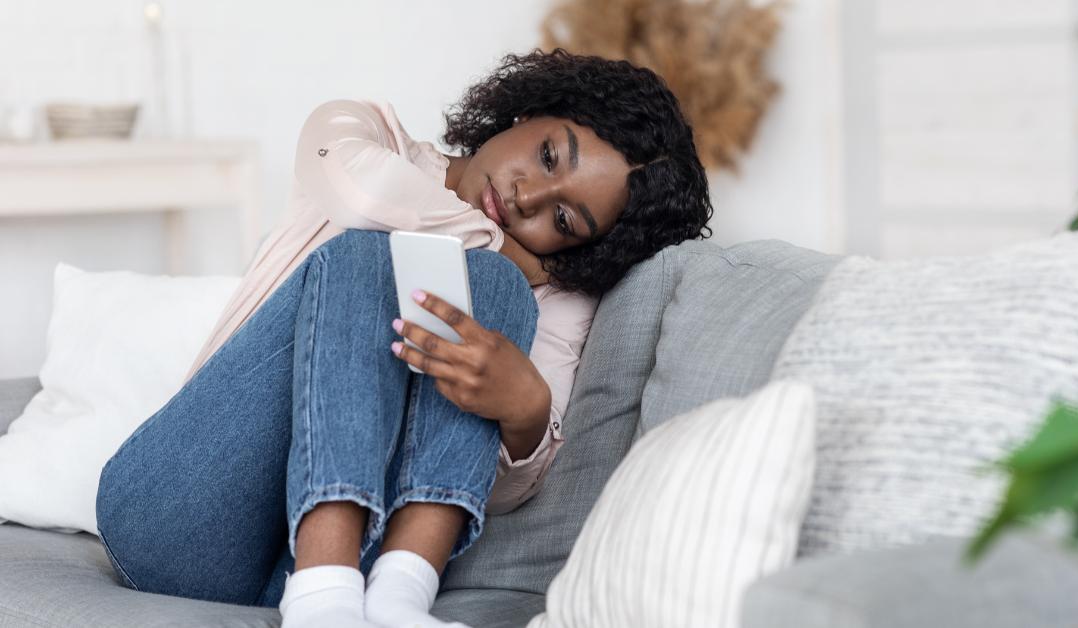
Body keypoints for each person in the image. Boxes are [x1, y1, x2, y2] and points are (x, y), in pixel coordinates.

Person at [94, 49, 711, 628]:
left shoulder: (551, 296)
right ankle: (326, 584)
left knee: (491, 292)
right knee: (384, 256)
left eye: (564, 220)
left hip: (358, 567)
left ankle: (397, 594)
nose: (529, 198)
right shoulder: (368, 131)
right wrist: (506, 257)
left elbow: (498, 492)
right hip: (178, 514)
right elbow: (365, 192)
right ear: (531, 110)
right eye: (550, 157)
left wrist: (525, 411)